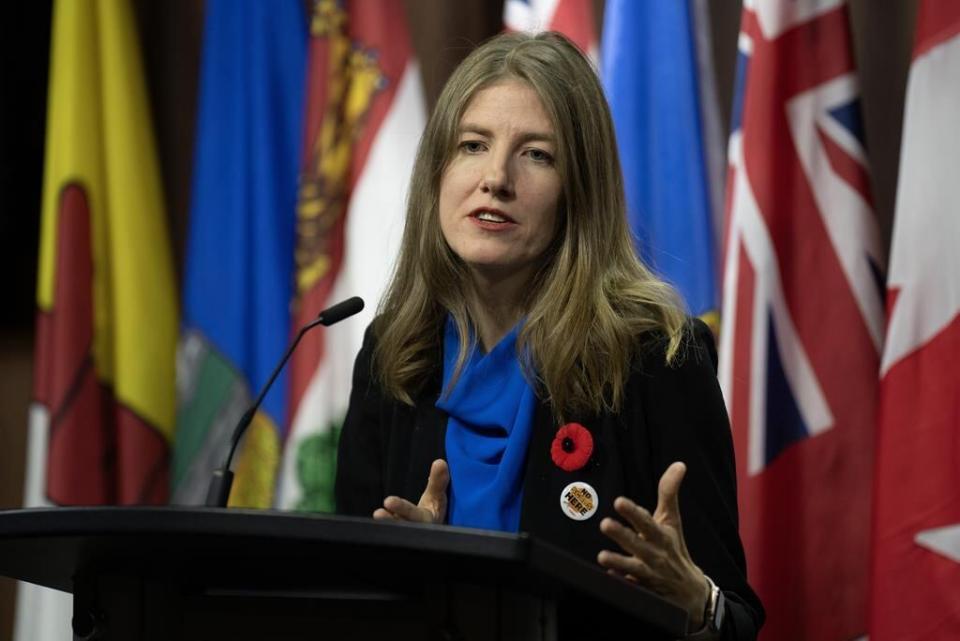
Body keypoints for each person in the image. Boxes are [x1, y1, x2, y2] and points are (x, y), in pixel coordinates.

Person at [335, 31, 763, 640]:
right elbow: (344, 601)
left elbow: (737, 619)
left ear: (579, 193)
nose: (495, 178)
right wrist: (412, 586)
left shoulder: (655, 359)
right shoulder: (395, 354)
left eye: (536, 154)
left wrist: (699, 603)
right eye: (472, 145)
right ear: (438, 172)